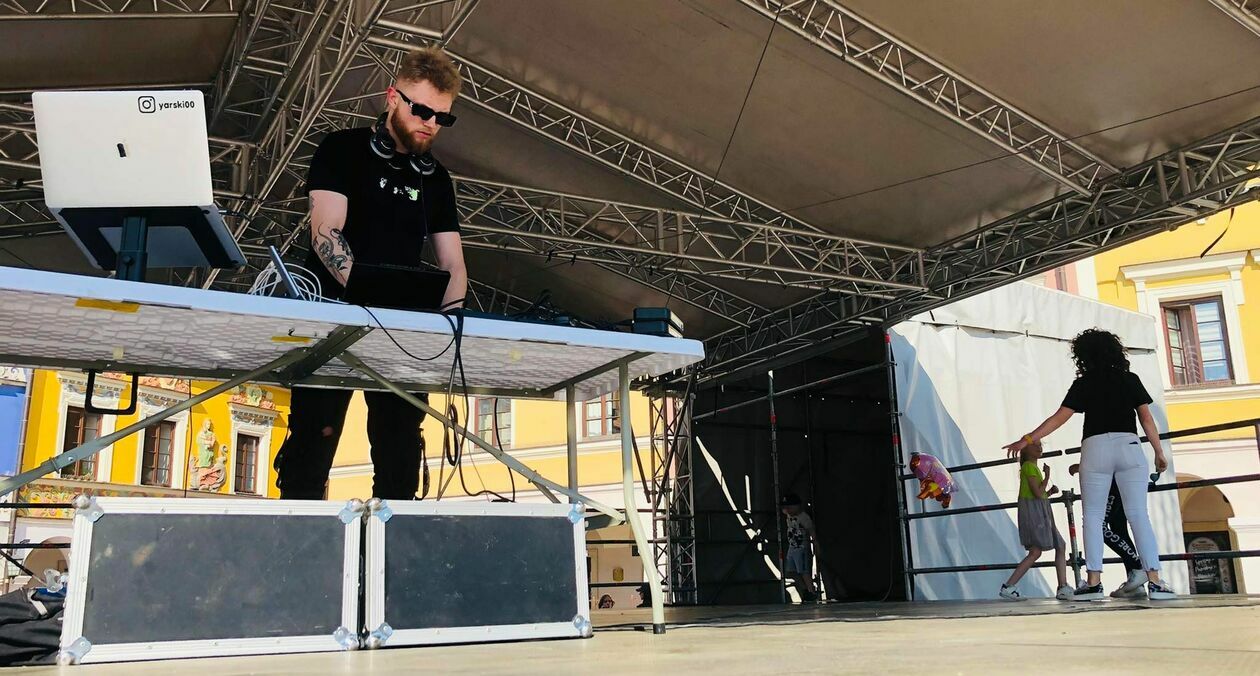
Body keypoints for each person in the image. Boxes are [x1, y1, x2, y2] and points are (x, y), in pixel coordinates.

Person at [274, 47, 467, 500]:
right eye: (422, 111)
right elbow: (326, 232)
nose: (431, 123)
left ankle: (391, 543)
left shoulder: (435, 178)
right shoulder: (341, 149)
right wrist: (366, 290)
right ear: (392, 97)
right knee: (311, 447)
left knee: (400, 455)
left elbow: (453, 263)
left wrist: (449, 325)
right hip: (331, 319)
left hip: (402, 333)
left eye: (442, 117)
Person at [1004, 329, 1176, 601]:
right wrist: (1158, 451)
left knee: (1093, 516)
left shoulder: (1083, 383)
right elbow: (1146, 418)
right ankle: (1155, 581)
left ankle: (1093, 583)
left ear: (1083, 356)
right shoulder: (1130, 379)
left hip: (1095, 448)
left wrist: (1027, 439)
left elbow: (1059, 417)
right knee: (1138, 514)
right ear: (1115, 351)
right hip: (1129, 445)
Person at [998, 441, 1072, 601]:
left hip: (1038, 511)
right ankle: (1061, 586)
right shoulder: (1029, 467)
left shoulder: (1031, 467)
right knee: (1043, 549)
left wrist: (1049, 492)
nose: (1039, 448)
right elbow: (1037, 493)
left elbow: (1038, 494)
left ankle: (1062, 585)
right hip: (1035, 513)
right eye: (1035, 445)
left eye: (1040, 445)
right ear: (1025, 451)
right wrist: (1047, 476)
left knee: (1049, 548)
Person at [1069, 463, 1147, 598]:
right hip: (1118, 482)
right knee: (1120, 531)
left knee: (1101, 528)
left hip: (1112, 484)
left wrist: (1084, 466)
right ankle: (1136, 584)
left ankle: (1137, 567)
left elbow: (1104, 456)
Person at [780, 494, 819, 603]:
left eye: (790, 507)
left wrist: (815, 543)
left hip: (802, 547)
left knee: (804, 571)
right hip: (792, 547)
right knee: (791, 571)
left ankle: (811, 592)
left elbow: (811, 530)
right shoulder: (789, 515)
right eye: (785, 507)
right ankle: (806, 590)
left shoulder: (803, 517)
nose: (787, 509)